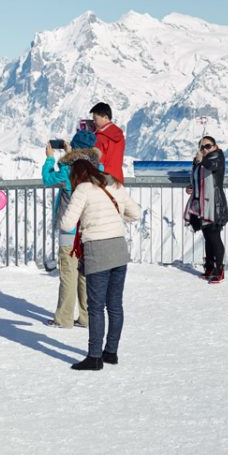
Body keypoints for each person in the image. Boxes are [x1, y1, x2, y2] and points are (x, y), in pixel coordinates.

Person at [59, 159, 141, 371]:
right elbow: (136, 213)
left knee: (95, 307)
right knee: (115, 304)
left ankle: (94, 357)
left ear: (76, 175)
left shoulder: (83, 189)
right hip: (119, 248)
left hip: (98, 250)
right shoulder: (114, 184)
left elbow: (66, 223)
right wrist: (113, 219)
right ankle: (111, 352)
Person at [42, 130, 102, 329]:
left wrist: (51, 159)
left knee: (68, 273)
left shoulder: (68, 170)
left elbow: (48, 179)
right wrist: (71, 153)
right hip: (90, 229)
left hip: (69, 231)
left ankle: (64, 318)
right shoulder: (98, 168)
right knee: (85, 274)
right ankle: (86, 317)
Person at [185, 136, 228, 283]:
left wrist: (200, 160)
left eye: (208, 146)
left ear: (215, 146)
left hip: (214, 205)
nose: (204, 149)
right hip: (202, 205)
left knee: (214, 237)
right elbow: (197, 179)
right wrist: (191, 188)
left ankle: (219, 269)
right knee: (207, 237)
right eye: (202, 147)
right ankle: (209, 266)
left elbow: (212, 165)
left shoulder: (218, 158)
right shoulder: (200, 162)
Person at [90, 102, 126, 185]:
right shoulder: (120, 135)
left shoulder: (99, 138)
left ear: (105, 117)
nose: (94, 122)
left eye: (95, 119)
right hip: (117, 179)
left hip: (103, 179)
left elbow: (96, 160)